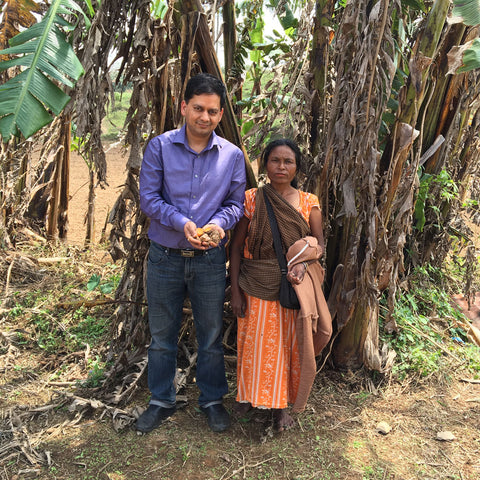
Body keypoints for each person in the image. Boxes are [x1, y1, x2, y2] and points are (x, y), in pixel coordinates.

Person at [137, 73, 247, 433]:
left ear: (220, 115)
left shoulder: (231, 155)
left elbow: (235, 204)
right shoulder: (160, 147)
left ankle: (212, 400)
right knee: (162, 334)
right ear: (184, 107)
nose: (205, 117)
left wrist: (217, 226)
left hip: (210, 261)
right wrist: (182, 222)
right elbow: (149, 199)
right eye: (198, 108)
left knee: (211, 336)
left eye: (212, 111)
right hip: (165, 256)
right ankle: (160, 401)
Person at [229, 138, 332, 432]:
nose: (281, 167)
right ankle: (249, 396)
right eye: (275, 160)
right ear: (264, 164)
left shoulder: (309, 202)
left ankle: (280, 408)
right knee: (255, 345)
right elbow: (236, 247)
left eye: (288, 161)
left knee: (286, 347)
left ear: (297, 166)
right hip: (255, 283)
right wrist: (235, 290)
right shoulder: (252, 199)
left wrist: (303, 258)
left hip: (293, 286)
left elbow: (320, 245)